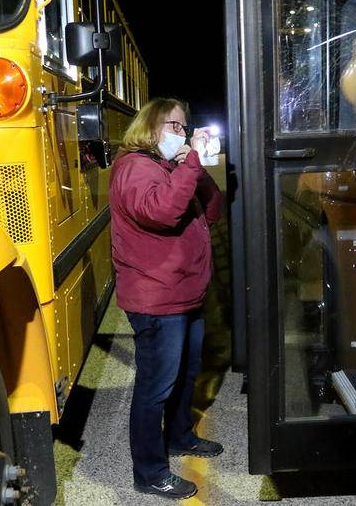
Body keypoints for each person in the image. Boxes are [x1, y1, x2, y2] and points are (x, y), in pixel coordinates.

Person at [109, 97, 224, 500]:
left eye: (184, 127)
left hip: (184, 293)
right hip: (156, 298)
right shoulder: (135, 169)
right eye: (175, 127)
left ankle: (179, 437)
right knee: (155, 387)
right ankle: (149, 472)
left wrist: (200, 167)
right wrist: (190, 164)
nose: (183, 134)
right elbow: (161, 212)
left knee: (185, 375)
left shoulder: (169, 166)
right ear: (149, 128)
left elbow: (212, 212)